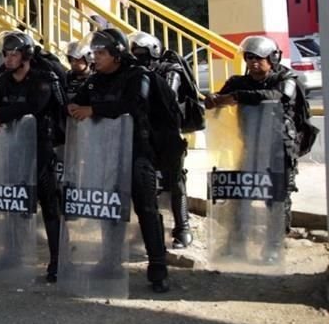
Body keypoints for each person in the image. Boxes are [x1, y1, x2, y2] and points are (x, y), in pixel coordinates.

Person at [68, 29, 169, 293]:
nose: (95, 58)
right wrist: (73, 107)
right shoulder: (95, 80)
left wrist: (95, 110)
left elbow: (135, 105)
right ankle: (110, 261)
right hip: (106, 153)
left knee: (146, 209)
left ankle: (158, 268)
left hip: (139, 153)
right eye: (95, 53)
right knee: (108, 207)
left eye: (101, 53)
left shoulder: (138, 76)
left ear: (116, 54)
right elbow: (77, 102)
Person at [205, 36, 315, 236]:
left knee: (278, 196)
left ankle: (275, 244)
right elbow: (218, 99)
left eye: (259, 58)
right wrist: (214, 99)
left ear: (272, 58)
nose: (254, 62)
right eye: (249, 58)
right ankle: (237, 241)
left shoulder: (286, 79)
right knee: (242, 193)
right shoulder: (239, 82)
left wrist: (238, 97)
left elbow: (279, 96)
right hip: (250, 144)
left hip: (279, 147)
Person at [0, 32, 63, 283]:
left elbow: (33, 106)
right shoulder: (4, 79)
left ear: (25, 55)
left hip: (41, 149)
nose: (8, 58)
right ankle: (12, 255)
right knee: (14, 204)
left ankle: (58, 261)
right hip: (14, 150)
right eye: (6, 53)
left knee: (49, 206)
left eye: (14, 53)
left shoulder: (43, 79)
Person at [129, 31, 194, 249]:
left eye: (142, 54)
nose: (139, 58)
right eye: (135, 54)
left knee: (175, 181)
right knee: (145, 184)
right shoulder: (133, 72)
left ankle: (183, 227)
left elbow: (169, 96)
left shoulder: (169, 70)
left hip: (167, 133)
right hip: (142, 133)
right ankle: (146, 231)